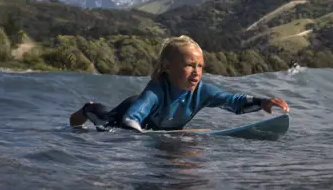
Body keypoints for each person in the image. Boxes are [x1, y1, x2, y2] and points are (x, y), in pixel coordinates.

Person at [69, 35, 290, 132]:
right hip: (122, 116)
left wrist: (262, 102)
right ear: (167, 66)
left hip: (157, 129)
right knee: (101, 116)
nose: (196, 72)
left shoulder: (202, 92)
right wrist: (147, 137)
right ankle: (87, 107)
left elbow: (233, 102)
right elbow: (130, 120)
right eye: (189, 65)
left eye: (201, 66)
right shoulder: (155, 92)